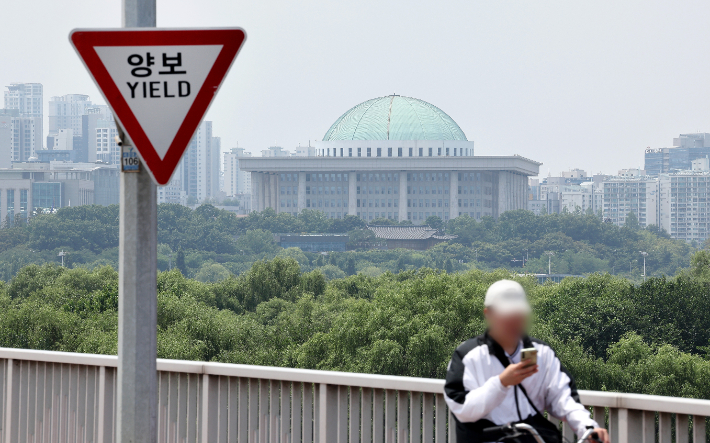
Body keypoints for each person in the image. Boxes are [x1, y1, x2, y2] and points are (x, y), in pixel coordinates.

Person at [444, 280, 610, 443]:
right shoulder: (468, 355)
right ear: (488, 314)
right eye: (507, 316)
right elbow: (461, 408)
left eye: (519, 316)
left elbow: (563, 397)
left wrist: (587, 427)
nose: (514, 322)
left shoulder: (542, 352)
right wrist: (501, 383)